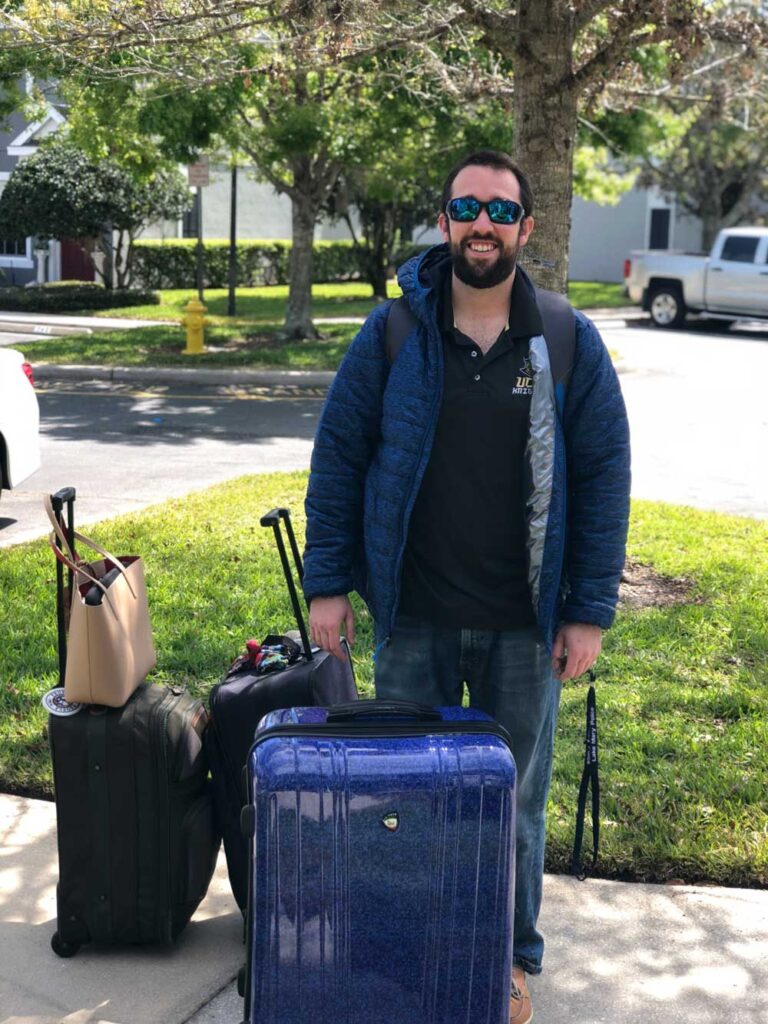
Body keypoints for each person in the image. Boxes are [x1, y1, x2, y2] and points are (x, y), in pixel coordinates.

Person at [302, 150, 631, 1024]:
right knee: (404, 797)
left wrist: (588, 609)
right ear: (445, 223)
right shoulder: (393, 334)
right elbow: (339, 459)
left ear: (524, 228)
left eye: (499, 209)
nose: (481, 223)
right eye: (464, 207)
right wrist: (329, 584)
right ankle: (406, 944)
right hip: (413, 618)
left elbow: (602, 477)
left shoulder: (565, 339)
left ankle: (507, 957)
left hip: (525, 625)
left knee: (511, 798)